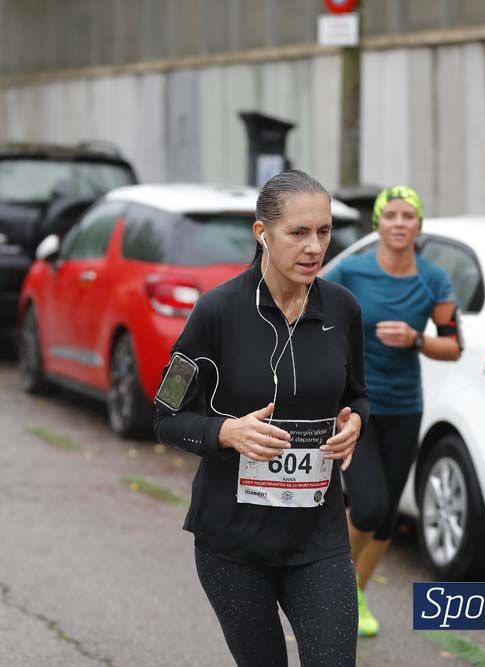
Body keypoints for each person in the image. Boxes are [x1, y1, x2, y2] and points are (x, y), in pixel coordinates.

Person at [154, 170, 369, 667]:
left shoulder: (343, 309)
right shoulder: (216, 313)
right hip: (234, 543)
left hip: (318, 537)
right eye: (298, 233)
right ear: (262, 233)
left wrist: (356, 420)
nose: (314, 247)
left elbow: (359, 394)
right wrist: (226, 431)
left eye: (324, 231)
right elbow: (165, 415)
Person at [324, 185, 463, 637]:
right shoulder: (352, 271)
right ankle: (320, 584)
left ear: (419, 225)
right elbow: (318, 318)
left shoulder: (434, 279)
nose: (400, 223)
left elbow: (454, 345)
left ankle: (353, 597)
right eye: (391, 215)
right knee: (367, 507)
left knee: (384, 521)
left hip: (405, 406)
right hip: (356, 407)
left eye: (409, 215)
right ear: (378, 224)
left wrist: (416, 339)